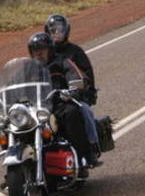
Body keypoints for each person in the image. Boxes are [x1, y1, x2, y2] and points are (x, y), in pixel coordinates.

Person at [27, 32, 102, 173]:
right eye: (35, 50)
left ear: (50, 50)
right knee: (11, 124)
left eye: (42, 49)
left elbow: (76, 75)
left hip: (59, 104)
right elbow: (12, 86)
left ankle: (83, 157)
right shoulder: (27, 68)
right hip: (36, 108)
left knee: (72, 113)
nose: (39, 53)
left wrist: (73, 89)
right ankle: (15, 166)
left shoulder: (62, 62)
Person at [44, 14, 97, 105]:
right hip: (49, 96)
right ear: (47, 32)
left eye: (60, 30)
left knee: (78, 111)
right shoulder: (45, 52)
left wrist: (87, 91)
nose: (56, 34)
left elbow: (87, 72)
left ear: (66, 31)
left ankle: (89, 119)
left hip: (73, 97)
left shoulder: (75, 51)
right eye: (53, 30)